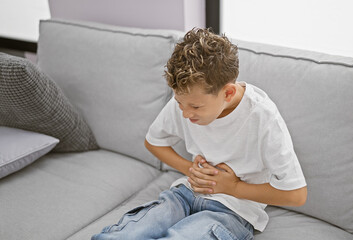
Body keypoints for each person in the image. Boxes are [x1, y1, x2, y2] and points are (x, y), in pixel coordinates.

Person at [92, 28, 307, 240]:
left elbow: (296, 195)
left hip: (232, 211)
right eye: (179, 103)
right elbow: (153, 142)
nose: (185, 113)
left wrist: (234, 187)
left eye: (195, 107)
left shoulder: (263, 118)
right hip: (184, 195)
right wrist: (191, 170)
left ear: (228, 93)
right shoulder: (187, 98)